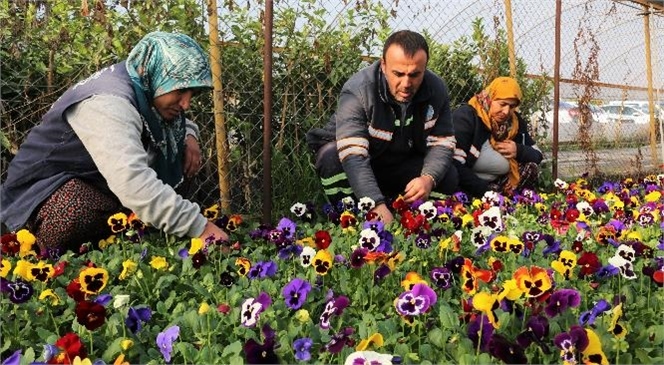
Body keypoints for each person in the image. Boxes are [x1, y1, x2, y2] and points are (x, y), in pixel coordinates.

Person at [0, 31, 229, 255]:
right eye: (180, 90)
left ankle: (129, 232)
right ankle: (41, 248)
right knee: (73, 208)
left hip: (96, 183)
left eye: (192, 93)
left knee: (178, 154)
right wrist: (202, 228)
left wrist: (189, 136)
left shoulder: (142, 81)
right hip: (38, 197)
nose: (186, 103)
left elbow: (169, 122)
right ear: (156, 74)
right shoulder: (108, 103)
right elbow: (132, 181)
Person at [306, 30, 458, 224]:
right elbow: (353, 155)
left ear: (425, 68)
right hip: (362, 165)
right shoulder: (358, 90)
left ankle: (419, 221)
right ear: (384, 65)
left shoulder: (436, 89)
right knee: (330, 157)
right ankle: (348, 219)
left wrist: (428, 178)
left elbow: (443, 142)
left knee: (449, 175)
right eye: (398, 74)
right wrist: (375, 204)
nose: (406, 83)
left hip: (400, 163)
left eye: (415, 74)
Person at [452, 76, 543, 198]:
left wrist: (519, 150)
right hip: (470, 184)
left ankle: (513, 199)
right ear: (490, 99)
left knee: (531, 168)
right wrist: (486, 192)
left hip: (499, 182)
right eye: (502, 104)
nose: (506, 111)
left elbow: (537, 154)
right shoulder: (467, 117)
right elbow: (453, 163)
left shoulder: (515, 122)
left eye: (512, 106)